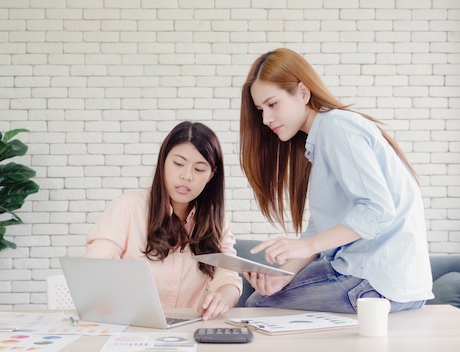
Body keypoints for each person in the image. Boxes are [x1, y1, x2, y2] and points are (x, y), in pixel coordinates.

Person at [238, 48, 434, 313]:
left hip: (376, 282)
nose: (266, 119)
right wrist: (283, 276)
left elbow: (377, 210)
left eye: (272, 104)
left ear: (303, 92)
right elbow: (320, 229)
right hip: (394, 284)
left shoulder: (336, 127)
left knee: (258, 307)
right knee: (262, 300)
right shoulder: (321, 141)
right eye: (261, 109)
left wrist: (304, 246)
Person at [85, 121, 243, 320]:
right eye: (178, 164)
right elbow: (95, 266)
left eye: (200, 169)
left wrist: (223, 298)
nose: (186, 176)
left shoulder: (217, 223)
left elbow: (227, 277)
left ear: (211, 175)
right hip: (129, 326)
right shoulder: (126, 208)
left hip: (184, 330)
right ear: (163, 162)